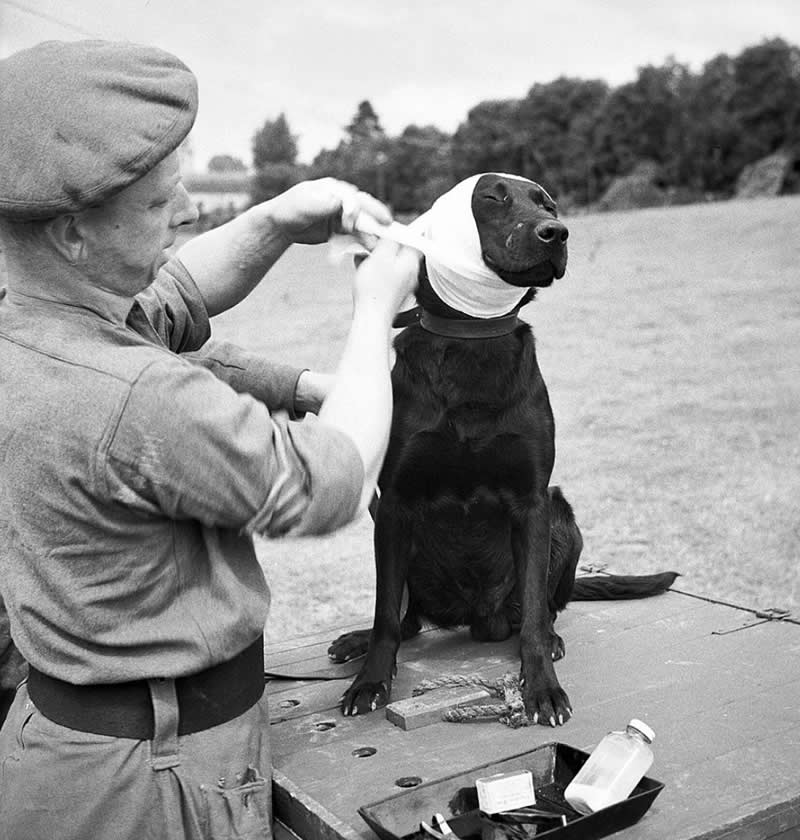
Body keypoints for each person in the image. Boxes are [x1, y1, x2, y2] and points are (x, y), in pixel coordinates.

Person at [0, 39, 419, 840]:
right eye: (159, 206)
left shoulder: (30, 321)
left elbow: (178, 292)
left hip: (75, 752)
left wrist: (275, 219)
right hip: (152, 785)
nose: (188, 210)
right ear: (73, 235)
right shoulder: (131, 396)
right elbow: (331, 480)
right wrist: (372, 317)